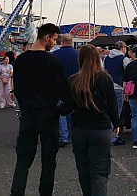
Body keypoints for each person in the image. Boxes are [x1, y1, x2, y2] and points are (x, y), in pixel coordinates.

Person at [10, 23, 71, 196]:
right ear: (46, 38)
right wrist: (62, 109)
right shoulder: (51, 61)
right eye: (53, 39)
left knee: (23, 158)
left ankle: (17, 191)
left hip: (28, 114)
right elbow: (62, 90)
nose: (54, 43)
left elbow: (18, 90)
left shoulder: (20, 60)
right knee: (49, 159)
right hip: (48, 113)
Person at [67, 44, 120, 196]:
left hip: (79, 129)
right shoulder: (105, 78)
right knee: (99, 172)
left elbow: (68, 107)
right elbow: (112, 105)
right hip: (100, 128)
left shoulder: (74, 80)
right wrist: (116, 123)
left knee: (83, 171)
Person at [52, 33, 79, 147]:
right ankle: (73, 134)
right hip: (75, 85)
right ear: (71, 42)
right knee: (73, 110)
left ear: (61, 42)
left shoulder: (54, 55)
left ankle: (64, 135)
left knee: (61, 110)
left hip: (58, 86)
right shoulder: (78, 54)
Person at [103, 40, 128, 145]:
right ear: (122, 48)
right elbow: (128, 72)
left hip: (108, 87)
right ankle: (114, 136)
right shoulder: (124, 59)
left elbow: (103, 71)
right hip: (119, 87)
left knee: (109, 111)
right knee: (116, 112)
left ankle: (108, 133)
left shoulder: (106, 59)